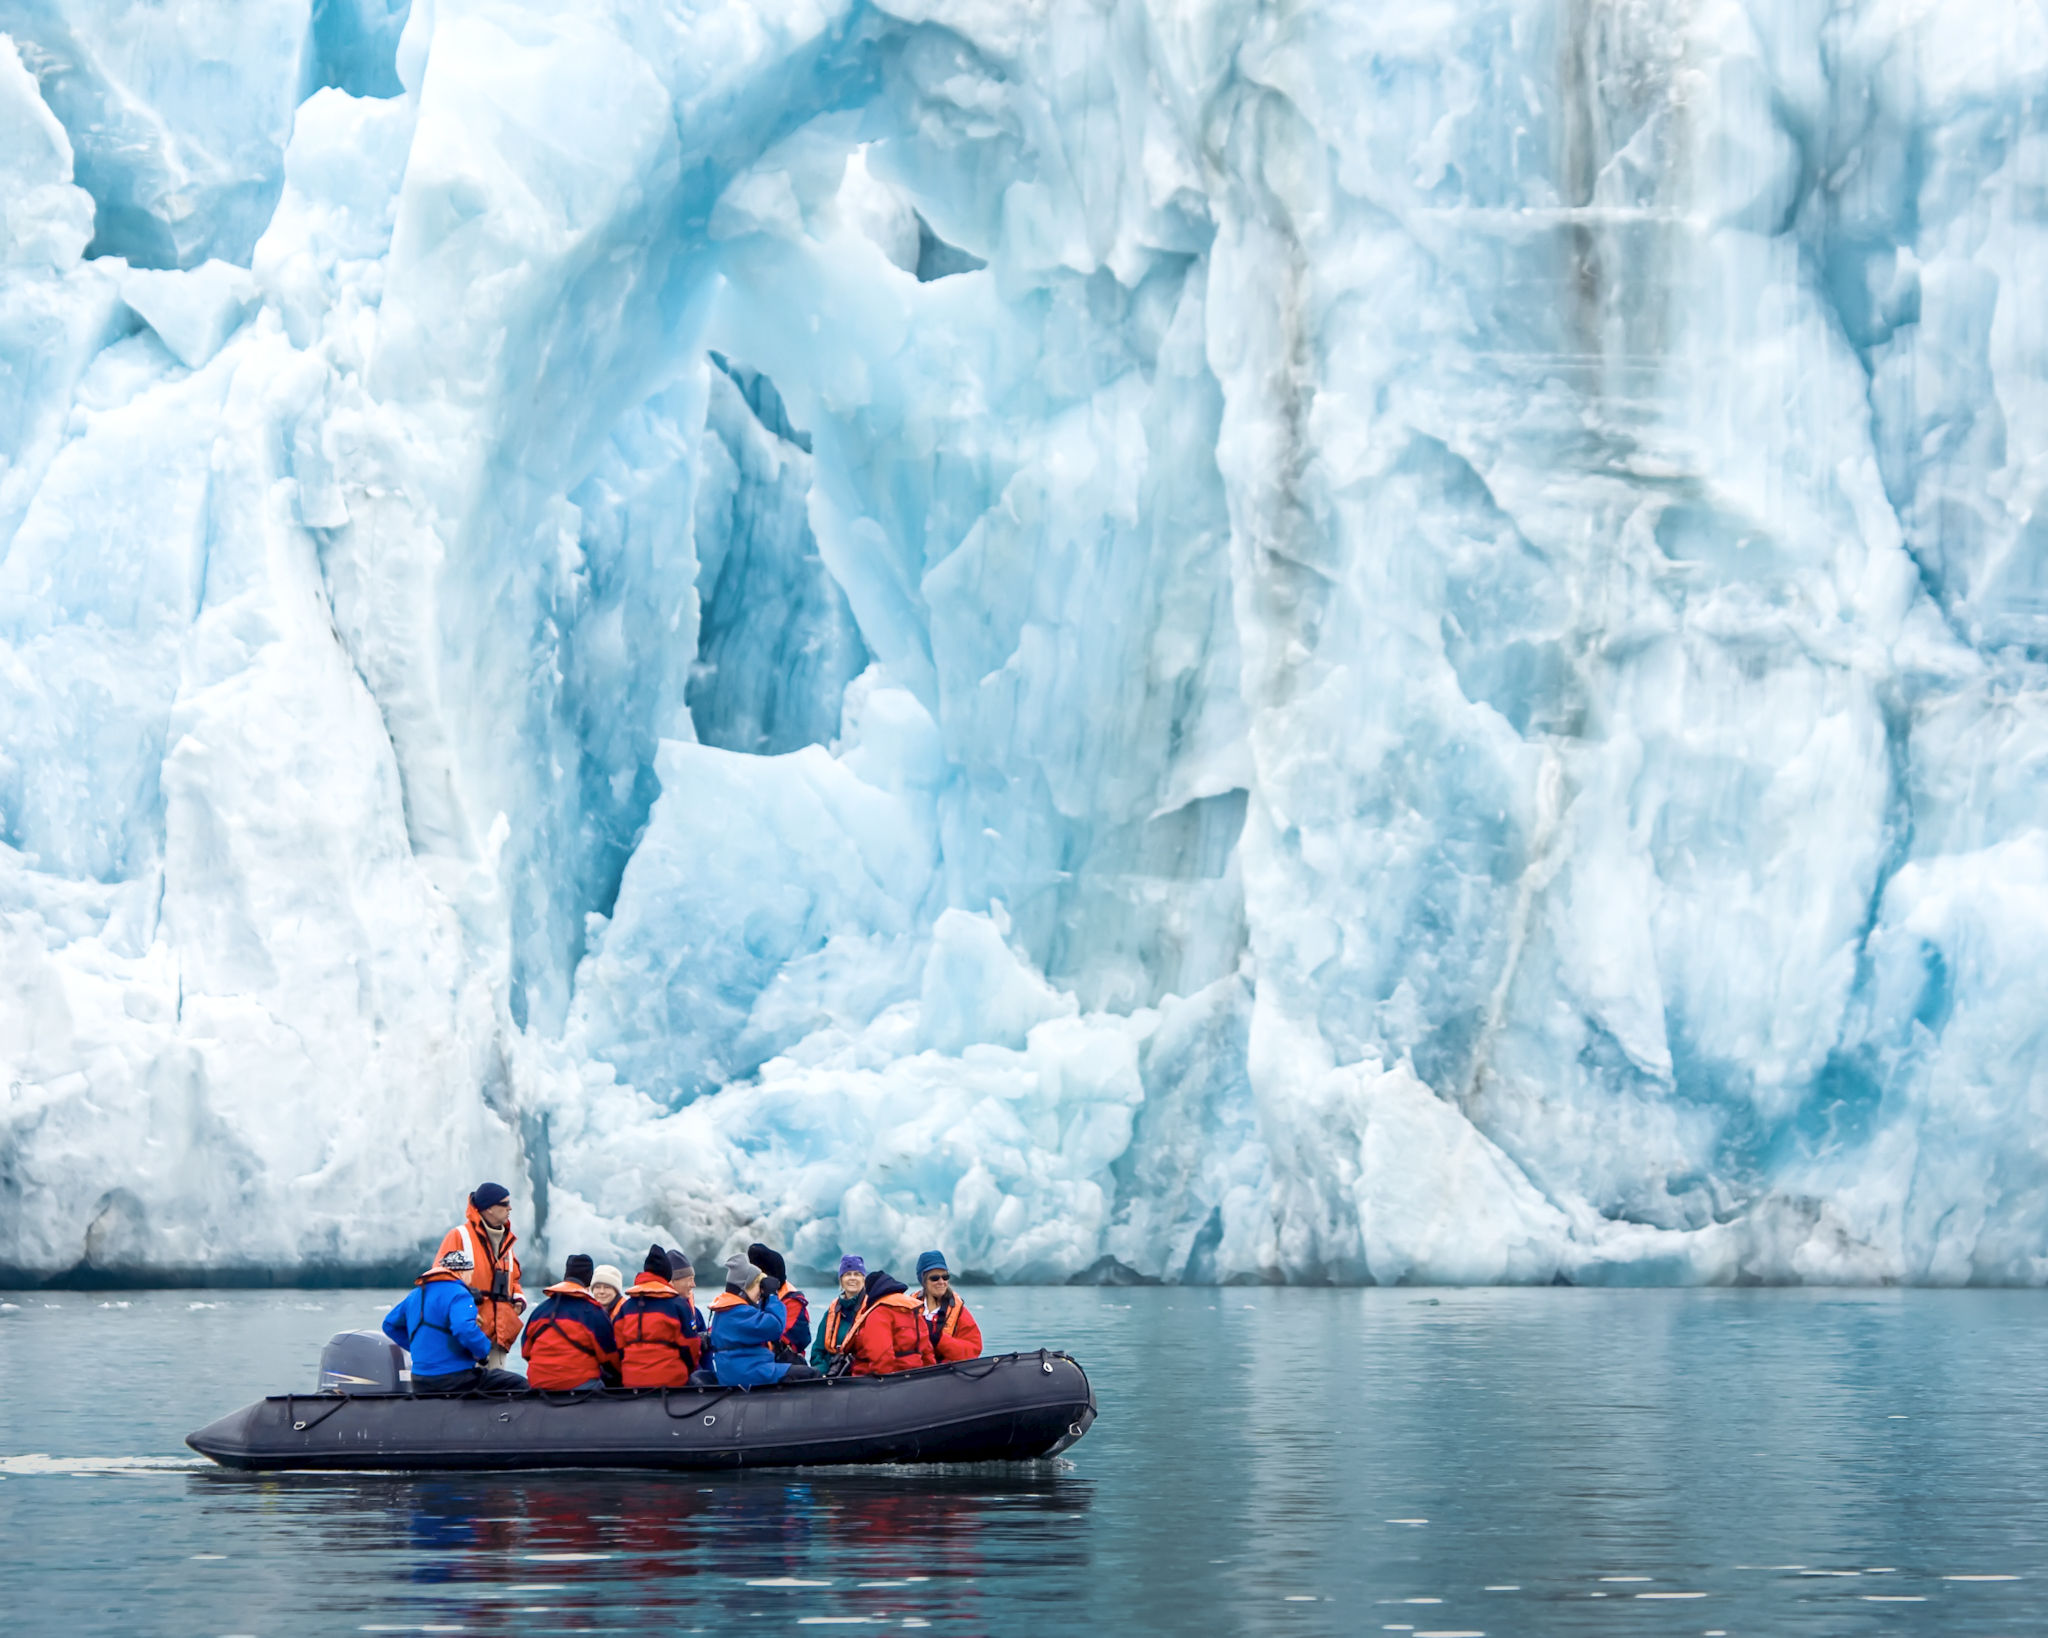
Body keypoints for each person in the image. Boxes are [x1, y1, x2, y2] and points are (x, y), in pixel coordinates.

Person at [382, 1248, 527, 1393]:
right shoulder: (460, 1294)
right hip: (455, 1377)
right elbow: (463, 1328)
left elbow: (389, 1325)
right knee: (518, 1383)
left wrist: (416, 1348)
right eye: (471, 1273)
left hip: (420, 1378)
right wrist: (483, 1351)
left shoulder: (415, 1294)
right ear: (463, 1273)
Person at [435, 1182, 525, 1367]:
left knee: (496, 1392)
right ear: (490, 1208)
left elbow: (513, 1278)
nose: (510, 1208)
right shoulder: (459, 1236)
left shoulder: (506, 1241)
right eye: (505, 1203)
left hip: (499, 1334)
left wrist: (518, 1298)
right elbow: (440, 1280)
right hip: (468, 1334)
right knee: (470, 1392)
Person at [703, 1250, 822, 1387]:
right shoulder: (738, 1312)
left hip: (741, 1368)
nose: (760, 1293)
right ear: (747, 1287)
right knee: (811, 1374)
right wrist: (772, 1296)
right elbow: (775, 1326)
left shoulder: (727, 1310)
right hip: (748, 1372)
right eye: (758, 1288)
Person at [520, 1254, 620, 1390]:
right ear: (589, 1281)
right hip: (579, 1384)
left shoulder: (540, 1311)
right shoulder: (593, 1313)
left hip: (539, 1384)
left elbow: (526, 1350)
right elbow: (609, 1358)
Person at [614, 1245, 701, 1388]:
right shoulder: (678, 1305)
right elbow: (691, 1346)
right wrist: (687, 1370)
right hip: (671, 1380)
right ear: (667, 1275)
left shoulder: (626, 1307)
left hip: (631, 1381)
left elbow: (618, 1347)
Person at [847, 1267, 935, 1376]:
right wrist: (930, 1375)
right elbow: (926, 1350)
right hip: (913, 1376)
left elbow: (881, 1354)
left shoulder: (878, 1313)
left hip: (882, 1382)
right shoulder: (913, 1310)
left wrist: (884, 1380)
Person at [915, 1249, 983, 1362]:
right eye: (935, 1278)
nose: (941, 1282)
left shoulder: (960, 1312)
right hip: (913, 1371)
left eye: (945, 1277)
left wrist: (939, 1340)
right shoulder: (909, 1308)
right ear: (923, 1281)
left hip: (945, 1373)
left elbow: (973, 1351)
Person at [748, 1241, 811, 1360]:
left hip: (781, 1364)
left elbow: (788, 1340)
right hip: (751, 1364)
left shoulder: (793, 1301)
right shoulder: (748, 1296)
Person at [809, 1254, 870, 1373]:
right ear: (841, 1280)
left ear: (863, 1279)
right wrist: (822, 1373)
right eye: (847, 1274)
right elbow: (818, 1350)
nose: (852, 1278)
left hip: (858, 1374)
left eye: (857, 1274)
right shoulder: (832, 1312)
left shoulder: (871, 1309)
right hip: (832, 1372)